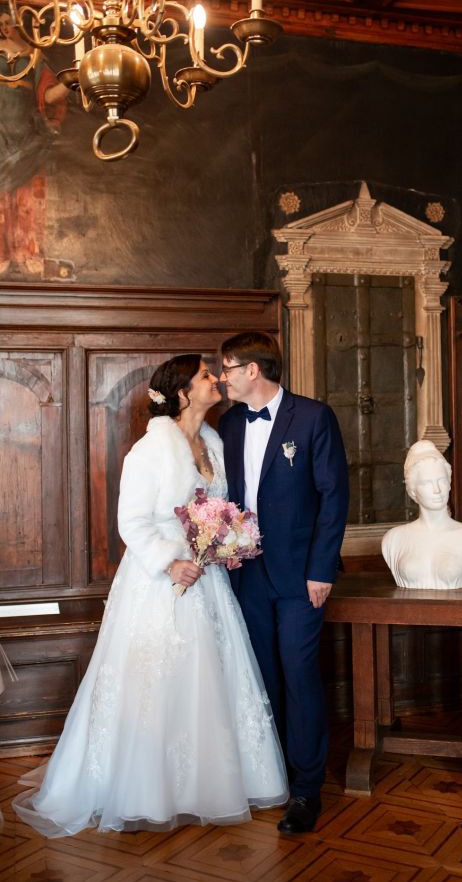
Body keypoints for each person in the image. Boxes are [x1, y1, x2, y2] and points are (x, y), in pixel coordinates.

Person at [13, 354, 288, 837]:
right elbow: (132, 523)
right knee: (156, 684)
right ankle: (146, 790)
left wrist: (226, 543)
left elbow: (224, 508)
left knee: (211, 682)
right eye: (207, 376)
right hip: (160, 582)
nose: (216, 381)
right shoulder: (149, 450)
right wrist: (170, 560)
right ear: (183, 392)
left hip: (208, 581)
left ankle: (207, 785)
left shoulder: (213, 442)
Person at [218, 332, 349, 835]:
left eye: (227, 367)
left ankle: (306, 790)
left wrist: (320, 570)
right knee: (262, 678)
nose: (223, 375)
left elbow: (334, 496)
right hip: (245, 573)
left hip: (300, 576)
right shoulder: (229, 424)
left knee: (299, 676)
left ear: (253, 369)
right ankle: (269, 776)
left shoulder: (313, 417)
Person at [0, 7, 73, 281]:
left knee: (28, 196)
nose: (5, 28)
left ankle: (28, 253)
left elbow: (51, 96)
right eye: (1, 23)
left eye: (9, 22)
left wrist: (71, 80)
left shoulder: (33, 56)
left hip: (26, 132)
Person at [382, 440, 462, 589]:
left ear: (449, 484)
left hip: (457, 611)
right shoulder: (393, 539)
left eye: (442, 481)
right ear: (412, 491)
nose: (437, 490)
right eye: (426, 483)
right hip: (406, 610)